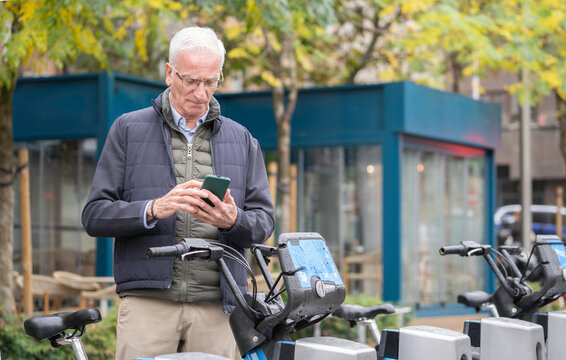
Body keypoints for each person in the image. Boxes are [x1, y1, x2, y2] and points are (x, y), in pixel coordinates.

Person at [81, 26, 274, 360]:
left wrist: (233, 220)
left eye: (211, 82)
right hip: (147, 306)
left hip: (219, 308)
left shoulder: (243, 139)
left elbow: (264, 222)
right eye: (191, 81)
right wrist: (154, 208)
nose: (202, 93)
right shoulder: (127, 129)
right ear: (170, 73)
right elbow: (95, 215)